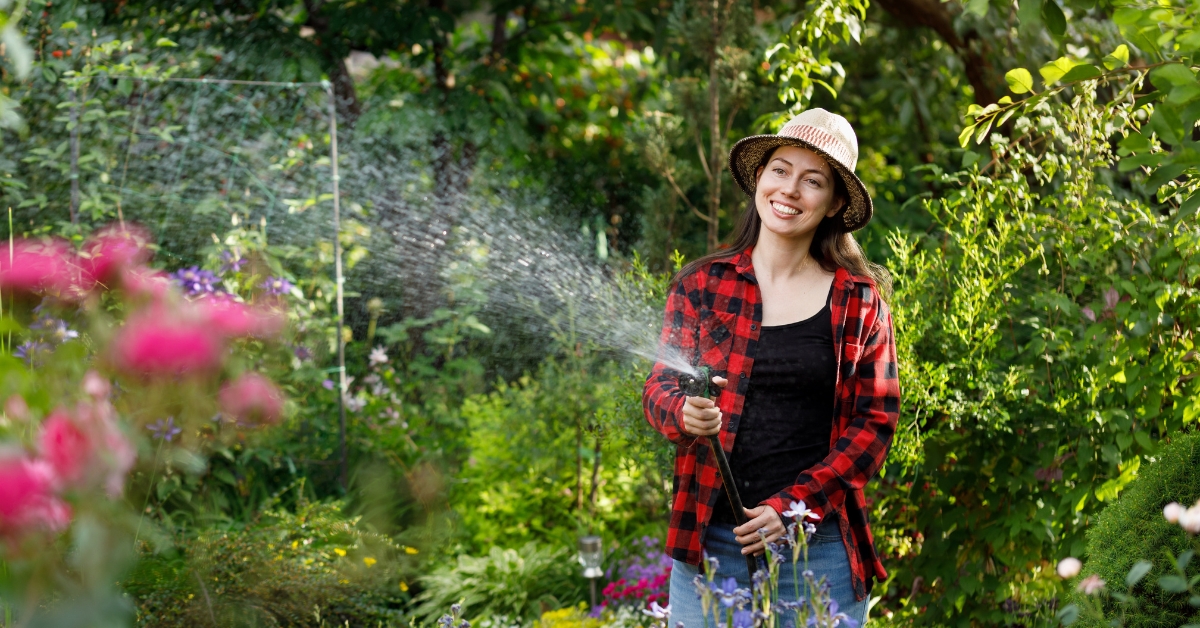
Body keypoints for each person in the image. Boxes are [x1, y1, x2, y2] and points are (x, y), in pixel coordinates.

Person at [641, 108, 900, 627]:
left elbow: (874, 425)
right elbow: (659, 389)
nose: (790, 190)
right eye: (780, 170)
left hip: (816, 543)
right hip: (712, 539)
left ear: (833, 204)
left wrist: (792, 508)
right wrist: (682, 413)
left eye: (813, 181)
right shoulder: (701, 285)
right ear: (759, 179)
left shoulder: (860, 302)